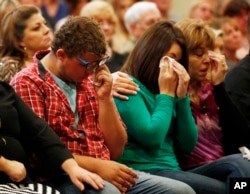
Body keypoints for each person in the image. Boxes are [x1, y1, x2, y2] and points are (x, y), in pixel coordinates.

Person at [10, 15, 196, 194]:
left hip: (106, 169)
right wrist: (99, 166)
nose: (92, 70)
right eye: (87, 64)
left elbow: (116, 149)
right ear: (61, 55)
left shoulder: (90, 79)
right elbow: (38, 155)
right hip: (61, 175)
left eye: (98, 63)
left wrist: (105, 98)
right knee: (108, 191)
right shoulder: (28, 82)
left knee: (182, 190)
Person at [112, 18, 250, 194]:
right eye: (170, 59)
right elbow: (152, 138)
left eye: (178, 60)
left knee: (242, 163)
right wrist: (167, 95)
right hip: (146, 170)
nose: (175, 66)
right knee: (229, 189)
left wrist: (182, 97)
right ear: (151, 54)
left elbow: (187, 144)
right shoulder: (127, 85)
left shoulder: (166, 91)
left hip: (174, 170)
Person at [0, 81, 105, 193]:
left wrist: (72, 167)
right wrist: (6, 165)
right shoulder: (27, 80)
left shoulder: (4, 90)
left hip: (20, 179)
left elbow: (37, 129)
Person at [0, 5, 52, 83]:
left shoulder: (57, 59)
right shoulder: (12, 71)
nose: (46, 30)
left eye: (45, 24)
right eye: (36, 28)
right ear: (20, 40)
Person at [80, 0, 127, 73]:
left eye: (109, 22)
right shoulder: (82, 60)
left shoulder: (123, 59)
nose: (106, 27)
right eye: (100, 22)